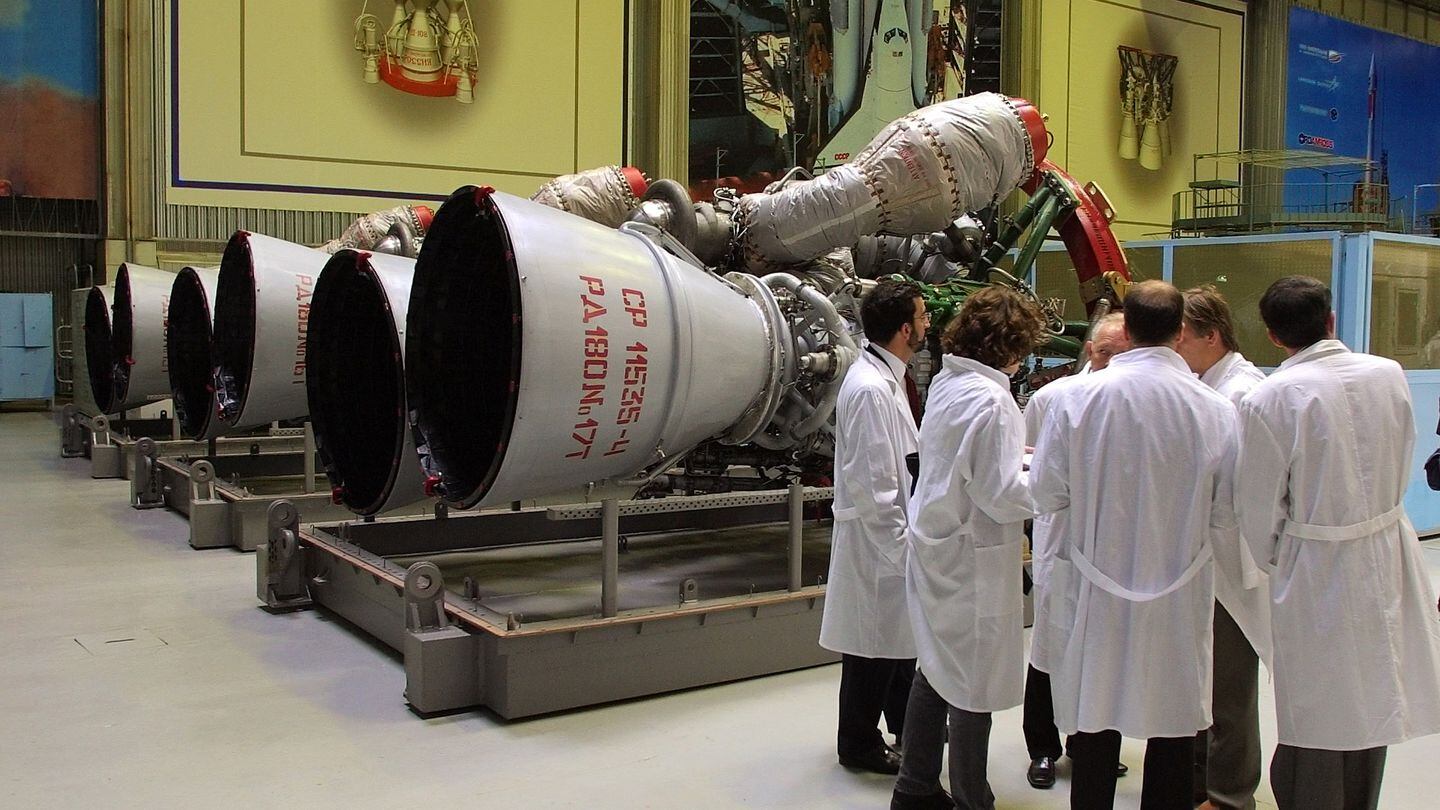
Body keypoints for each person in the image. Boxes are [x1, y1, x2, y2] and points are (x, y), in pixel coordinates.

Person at [1029, 281, 1238, 810]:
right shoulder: (1215, 409)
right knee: (1172, 726)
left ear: (1129, 328)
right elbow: (1225, 512)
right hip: (1180, 590)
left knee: (1096, 719)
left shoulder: (1075, 400)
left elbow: (1048, 493)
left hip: (1095, 587)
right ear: (1181, 330)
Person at [1235, 276, 1440, 810]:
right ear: (1330, 320)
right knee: (1376, 685)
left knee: (1321, 699)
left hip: (1316, 560)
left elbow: (1257, 504)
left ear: (1274, 338)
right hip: (1387, 545)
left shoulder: (1270, 397)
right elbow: (1406, 446)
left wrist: (1279, 558)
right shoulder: (1388, 374)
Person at [890, 286, 1046, 810]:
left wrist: (1013, 460)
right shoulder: (994, 400)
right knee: (972, 683)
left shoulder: (949, 383)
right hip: (972, 556)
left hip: (937, 543)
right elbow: (1000, 495)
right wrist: (1052, 481)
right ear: (1011, 347)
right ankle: (972, 797)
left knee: (936, 669)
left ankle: (914, 788)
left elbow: (964, 461)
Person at [1021, 312, 1133, 790]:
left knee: (1104, 656)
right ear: (1090, 350)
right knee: (1049, 649)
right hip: (1061, 541)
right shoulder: (1052, 398)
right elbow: (1029, 470)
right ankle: (1042, 748)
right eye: (1106, 351)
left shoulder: (1133, 400)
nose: (1114, 361)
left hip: (1112, 548)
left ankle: (1091, 747)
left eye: (1123, 352)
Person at [820, 278, 926, 775]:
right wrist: (901, 548)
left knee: (891, 647)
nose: (929, 324)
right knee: (871, 650)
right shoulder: (869, 389)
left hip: (887, 537)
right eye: (923, 317)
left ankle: (906, 725)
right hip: (877, 540)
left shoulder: (888, 379)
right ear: (906, 329)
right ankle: (857, 745)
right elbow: (873, 483)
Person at [1174, 285, 1271, 810]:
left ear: (1212, 337)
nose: (1174, 349)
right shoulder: (1207, 385)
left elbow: (1233, 490)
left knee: (1229, 686)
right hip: (1202, 561)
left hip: (1228, 564)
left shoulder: (1240, 393)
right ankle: (1200, 783)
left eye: (1182, 338)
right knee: (1203, 681)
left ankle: (1231, 795)